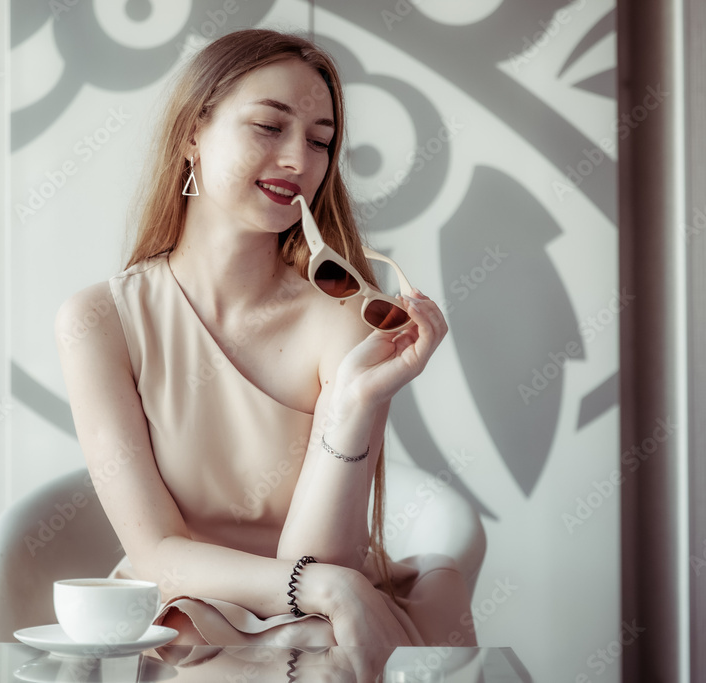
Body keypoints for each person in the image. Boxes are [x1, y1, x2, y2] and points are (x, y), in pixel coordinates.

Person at [54, 28, 475, 652]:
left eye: (321, 141)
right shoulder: (99, 319)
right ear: (194, 131)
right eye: (268, 127)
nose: (299, 162)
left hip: (315, 626)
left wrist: (352, 405)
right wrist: (330, 589)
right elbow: (155, 552)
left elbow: (318, 558)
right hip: (179, 614)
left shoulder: (347, 318)